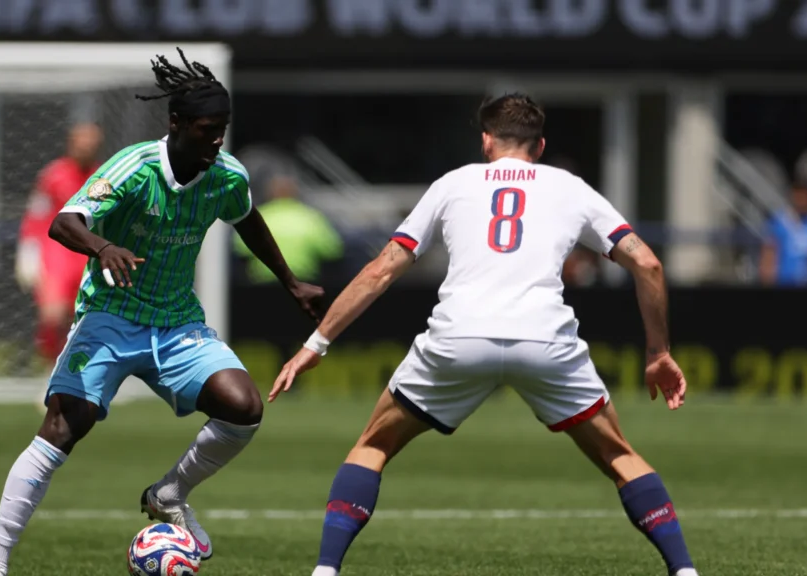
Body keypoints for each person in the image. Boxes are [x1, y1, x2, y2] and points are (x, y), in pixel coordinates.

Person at [269, 93, 697, 576]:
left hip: (460, 336)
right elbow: (648, 263)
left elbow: (379, 271)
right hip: (543, 337)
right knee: (620, 455)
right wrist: (658, 351)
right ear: (539, 146)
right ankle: (684, 570)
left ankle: (325, 570)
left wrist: (315, 344)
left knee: (372, 445)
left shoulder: (455, 184)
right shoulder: (569, 188)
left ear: (486, 140)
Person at [0, 49, 325, 576]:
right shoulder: (135, 167)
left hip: (177, 321)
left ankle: (170, 492)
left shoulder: (226, 174)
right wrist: (102, 248)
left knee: (244, 406)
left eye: (223, 129)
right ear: (177, 123)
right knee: (64, 427)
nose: (217, 140)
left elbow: (248, 220)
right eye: (208, 129)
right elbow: (64, 221)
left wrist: (290, 281)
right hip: (109, 317)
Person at [15, 122, 104, 365]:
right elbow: (36, 215)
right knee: (52, 316)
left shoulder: (103, 177)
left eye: (91, 142)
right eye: (82, 141)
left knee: (86, 318)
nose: (86, 147)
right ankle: (50, 371)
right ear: (71, 143)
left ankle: (86, 371)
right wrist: (28, 253)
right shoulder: (53, 175)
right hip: (56, 253)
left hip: (88, 254)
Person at [232, 174, 344, 284]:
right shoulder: (311, 217)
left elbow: (240, 249)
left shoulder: (257, 216)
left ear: (270, 193)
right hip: (302, 283)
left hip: (262, 284)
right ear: (295, 193)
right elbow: (332, 251)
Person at [758, 181, 807, 286]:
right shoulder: (780, 220)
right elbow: (769, 253)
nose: (800, 200)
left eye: (803, 195)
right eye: (797, 195)